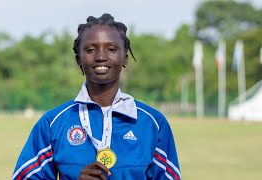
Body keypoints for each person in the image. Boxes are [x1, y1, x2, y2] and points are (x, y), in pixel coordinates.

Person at [12, 13, 181, 180]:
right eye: (91, 50)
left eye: (112, 49)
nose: (101, 57)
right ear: (79, 60)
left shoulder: (153, 123)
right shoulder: (53, 123)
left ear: (125, 59)